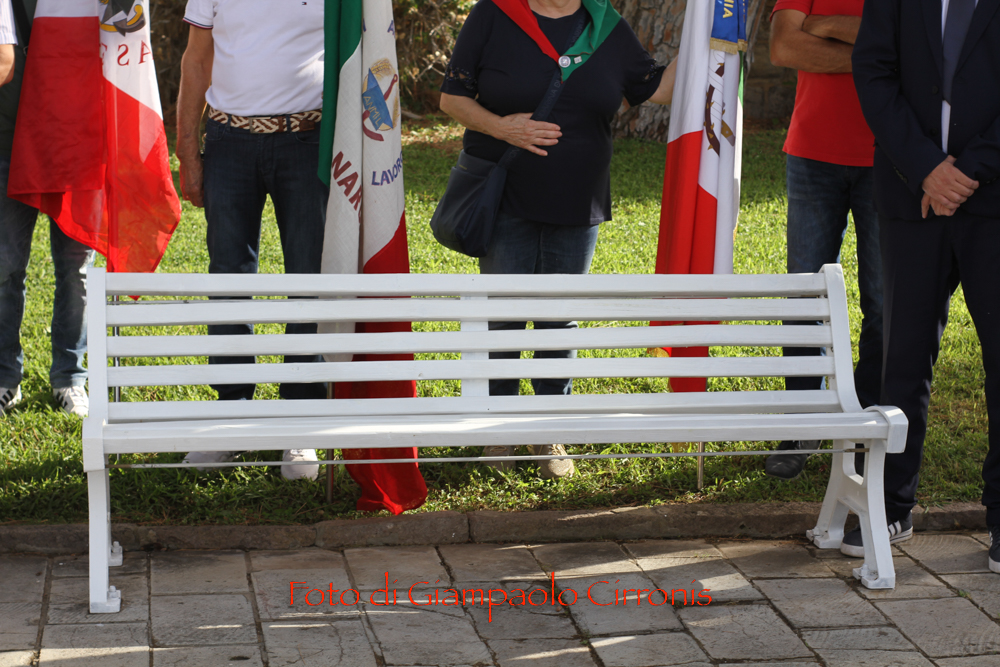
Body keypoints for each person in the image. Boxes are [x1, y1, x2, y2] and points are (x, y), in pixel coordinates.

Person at [439, 0, 676, 479]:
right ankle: (498, 428)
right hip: (504, 196)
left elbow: (656, 89)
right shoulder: (494, 14)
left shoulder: (605, 25)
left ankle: (550, 427)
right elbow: (452, 98)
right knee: (503, 317)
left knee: (559, 320)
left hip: (577, 200)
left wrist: (709, 37)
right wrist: (503, 127)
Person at [851, 0, 1000, 570]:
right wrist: (926, 168)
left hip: (993, 198)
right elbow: (873, 71)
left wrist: (966, 172)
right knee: (904, 357)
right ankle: (890, 506)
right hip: (911, 196)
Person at [176, 0, 328, 480]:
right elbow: (196, 59)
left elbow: (363, 55)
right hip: (229, 141)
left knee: (308, 281)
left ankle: (299, 424)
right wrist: (187, 149)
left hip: (308, 141)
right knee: (228, 280)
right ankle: (231, 419)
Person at [764, 0, 883, 480]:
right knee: (804, 299)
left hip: (889, 156)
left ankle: (866, 428)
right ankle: (801, 424)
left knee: (884, 302)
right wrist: (875, 52)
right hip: (812, 153)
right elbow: (783, 47)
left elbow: (916, 54)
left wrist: (823, 26)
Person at [0, 0, 93, 418]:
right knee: (5, 268)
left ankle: (70, 377)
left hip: (74, 141)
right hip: (7, 141)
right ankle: (5, 377)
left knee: (75, 269)